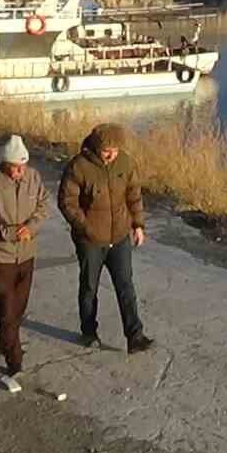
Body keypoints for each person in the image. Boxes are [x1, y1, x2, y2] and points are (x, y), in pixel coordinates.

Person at [57, 123, 154, 353]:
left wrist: (138, 225)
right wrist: (85, 227)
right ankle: (89, 331)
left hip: (120, 236)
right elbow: (67, 202)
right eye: (106, 150)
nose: (111, 155)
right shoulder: (78, 167)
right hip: (90, 240)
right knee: (89, 287)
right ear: (96, 146)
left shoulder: (126, 163)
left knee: (126, 286)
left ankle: (135, 336)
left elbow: (134, 196)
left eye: (115, 150)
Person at [0, 135, 49, 375]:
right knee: (6, 308)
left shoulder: (33, 178)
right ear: (5, 164)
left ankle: (2, 340)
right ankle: (14, 361)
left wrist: (32, 227)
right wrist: (10, 233)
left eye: (23, 166)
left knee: (18, 307)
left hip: (27, 254)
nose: (20, 172)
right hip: (0, 257)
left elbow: (44, 204)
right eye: (15, 167)